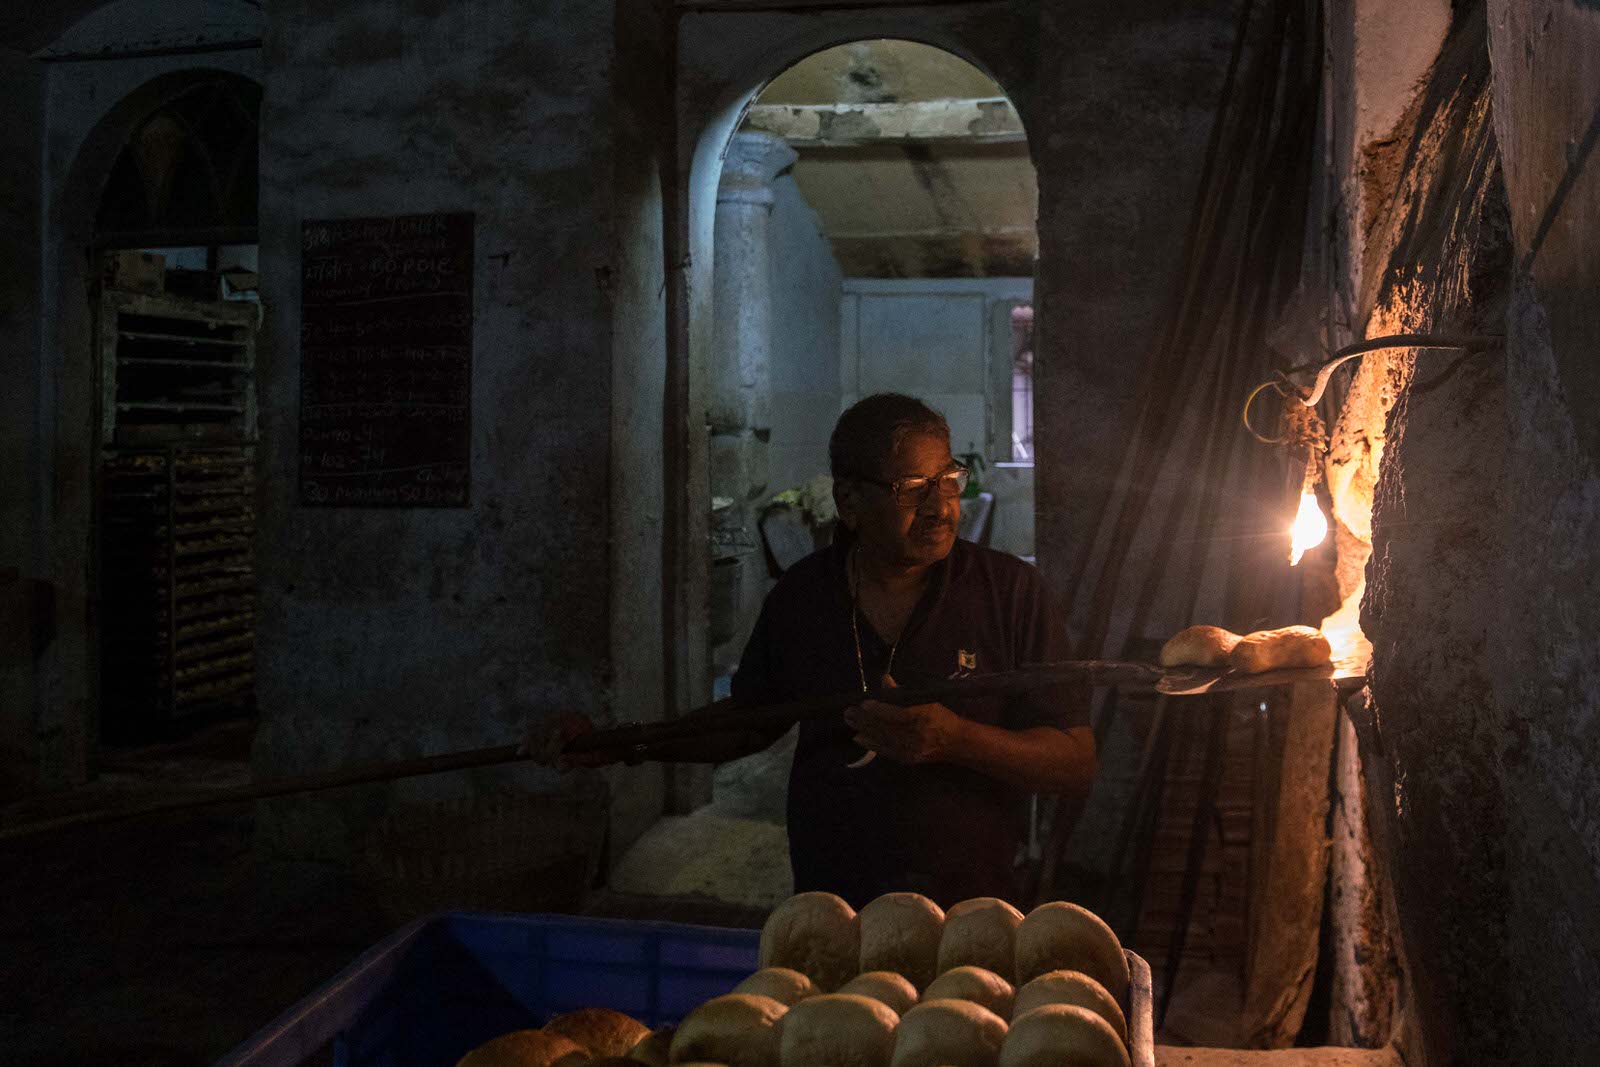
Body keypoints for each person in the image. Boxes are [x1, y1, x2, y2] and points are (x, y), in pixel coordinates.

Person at [528, 393, 1096, 907]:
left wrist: (958, 740)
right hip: (834, 907)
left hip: (971, 907)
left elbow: (1074, 761)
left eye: (947, 479)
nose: (941, 507)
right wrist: (623, 743)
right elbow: (749, 721)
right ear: (848, 501)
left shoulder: (1009, 592)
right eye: (911, 489)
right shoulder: (804, 596)